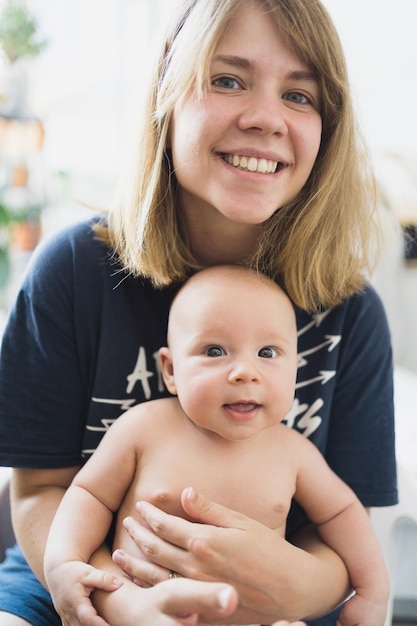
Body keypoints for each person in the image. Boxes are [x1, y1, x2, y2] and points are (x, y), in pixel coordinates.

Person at [0, 0, 398, 625]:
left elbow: (342, 530)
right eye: (228, 80)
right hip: (76, 587)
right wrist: (124, 607)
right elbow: (39, 492)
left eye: (300, 96)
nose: (266, 117)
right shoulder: (72, 273)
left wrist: (304, 589)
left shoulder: (352, 315)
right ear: (165, 97)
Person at [44, 265, 389, 626]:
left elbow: (343, 512)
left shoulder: (294, 453)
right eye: (214, 350)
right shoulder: (144, 429)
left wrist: (372, 588)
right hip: (137, 613)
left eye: (268, 353)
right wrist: (63, 562)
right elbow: (89, 494)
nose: (245, 372)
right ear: (171, 370)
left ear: (296, 369)